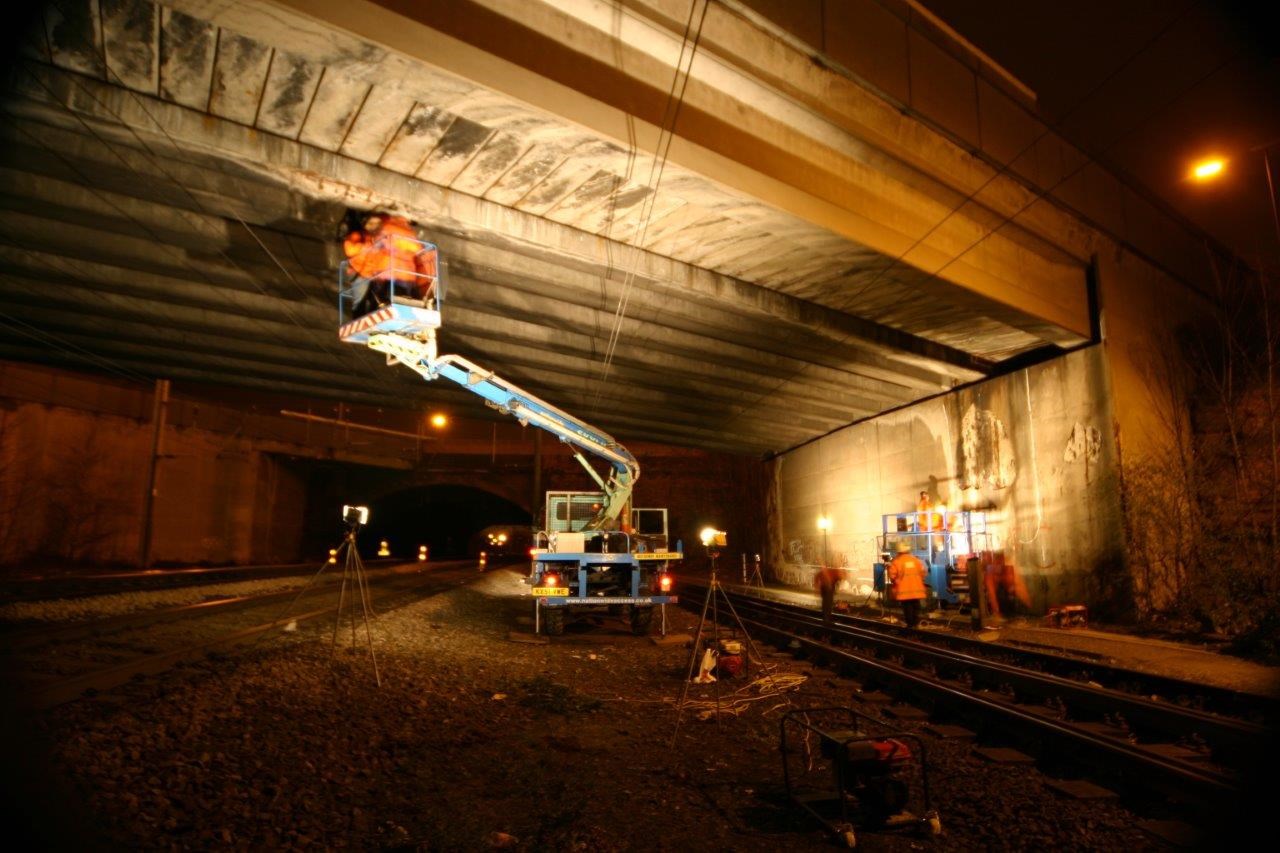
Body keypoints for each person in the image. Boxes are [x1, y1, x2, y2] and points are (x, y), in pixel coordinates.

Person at [887, 539, 927, 628]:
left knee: (907, 608)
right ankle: (915, 624)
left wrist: (895, 582)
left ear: (898, 551)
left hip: (904, 591)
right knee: (915, 607)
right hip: (917, 591)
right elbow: (923, 573)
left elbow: (892, 576)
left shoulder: (896, 562)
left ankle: (910, 625)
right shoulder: (916, 560)